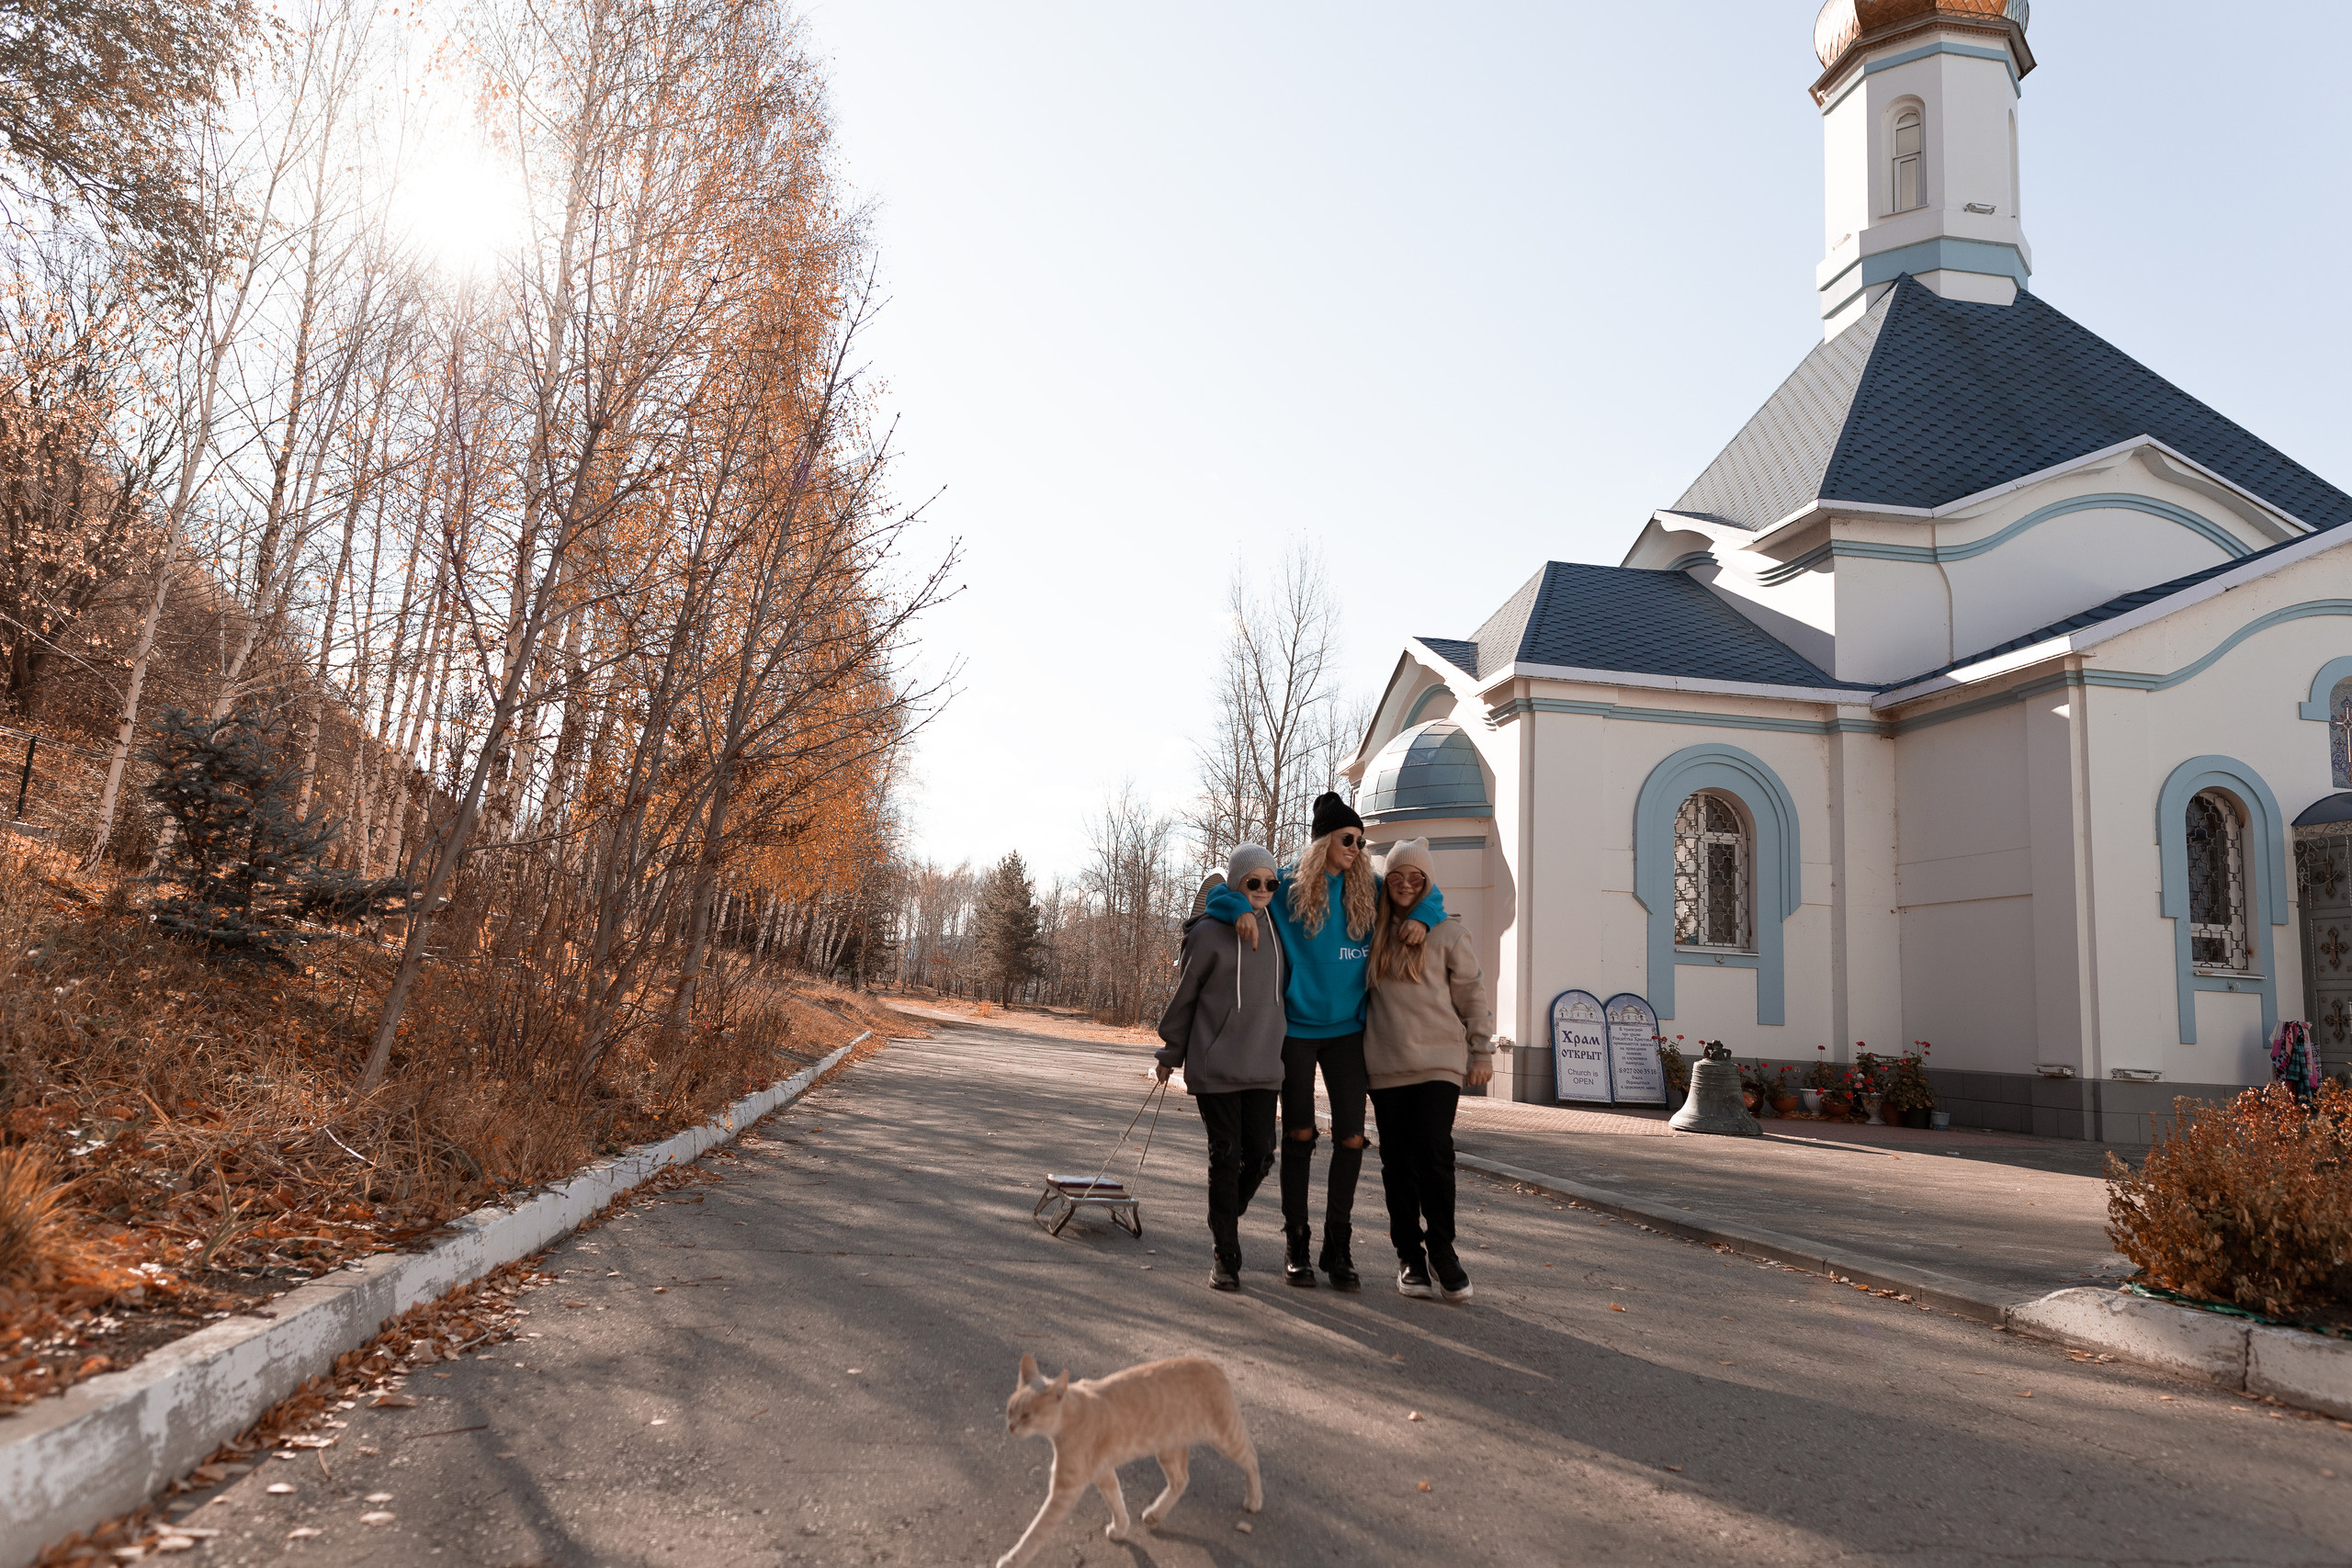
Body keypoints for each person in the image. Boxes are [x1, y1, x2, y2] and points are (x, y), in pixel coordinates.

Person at [1203, 792, 1445, 1292]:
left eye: (1361, 840)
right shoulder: (1288, 884)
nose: (1357, 847)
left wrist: (1424, 916)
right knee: (1298, 1136)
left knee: (1353, 1137)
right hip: (1294, 1032)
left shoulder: (1371, 888)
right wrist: (1237, 911)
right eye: (1348, 839)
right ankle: (1297, 1242)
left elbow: (1421, 891)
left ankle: (1338, 1242)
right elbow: (1223, 891)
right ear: (1323, 841)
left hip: (1348, 1033)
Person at [1363, 837, 1493, 1302]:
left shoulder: (1448, 932)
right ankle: (1409, 1258)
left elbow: (1472, 995)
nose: (1405, 885)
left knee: (1435, 1155)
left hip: (1439, 1062)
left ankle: (1443, 1252)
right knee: (1396, 1164)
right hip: (1385, 1063)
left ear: (1427, 882)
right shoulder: (1371, 929)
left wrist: (1482, 1052)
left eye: (1415, 878)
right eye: (1395, 877)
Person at [1154, 845, 1287, 1292]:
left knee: (1263, 1153)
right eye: (1254, 883)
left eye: (1272, 883)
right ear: (1236, 884)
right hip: (1217, 1062)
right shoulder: (1207, 933)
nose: (1264, 891)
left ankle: (1222, 1214)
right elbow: (1186, 995)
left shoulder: (1278, 927)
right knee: (1226, 1156)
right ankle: (1226, 1256)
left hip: (1265, 1062)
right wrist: (1170, 1052)